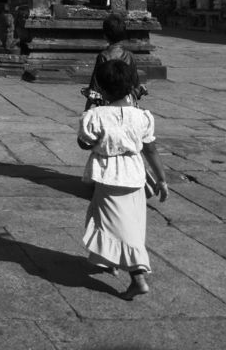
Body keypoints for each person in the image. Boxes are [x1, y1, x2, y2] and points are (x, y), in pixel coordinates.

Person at [78, 59, 168, 300]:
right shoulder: (141, 117)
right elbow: (151, 149)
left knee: (116, 225)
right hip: (135, 174)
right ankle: (111, 260)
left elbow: (84, 142)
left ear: (103, 89)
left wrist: (96, 110)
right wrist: (161, 179)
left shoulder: (95, 116)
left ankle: (138, 276)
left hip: (109, 176)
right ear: (132, 88)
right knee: (125, 223)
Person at [82, 15, 147, 110]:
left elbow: (95, 85)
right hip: (127, 102)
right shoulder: (130, 56)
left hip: (107, 102)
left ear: (105, 35)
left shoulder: (103, 56)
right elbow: (135, 84)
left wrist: (87, 108)